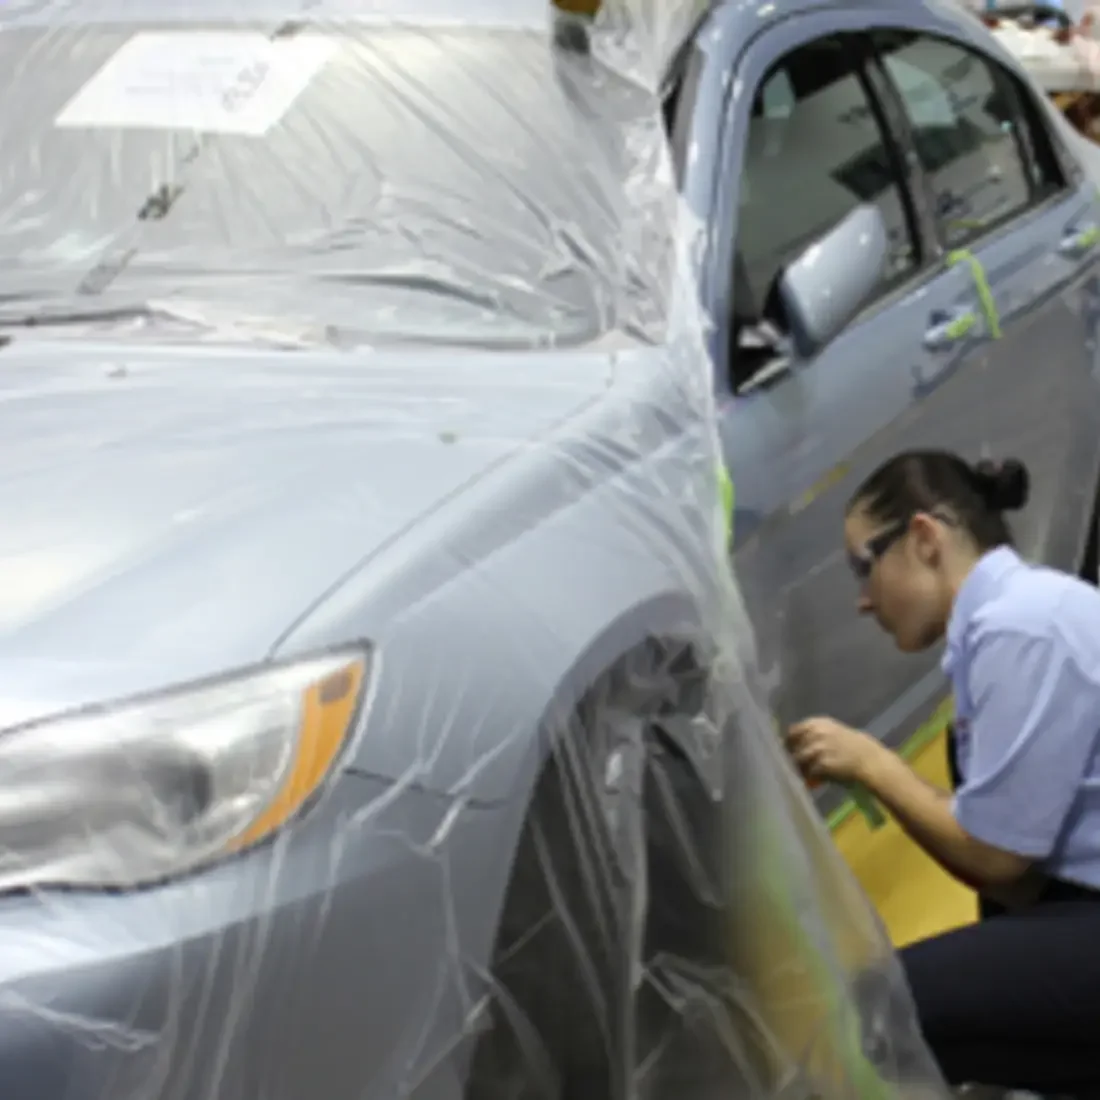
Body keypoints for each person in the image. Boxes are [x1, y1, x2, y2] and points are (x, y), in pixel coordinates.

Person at [785, 449, 1100, 1095]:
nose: (862, 602)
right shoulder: (1012, 622)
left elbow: (997, 858)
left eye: (862, 567)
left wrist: (872, 763)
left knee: (881, 1017)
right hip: (1075, 901)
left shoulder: (1023, 628)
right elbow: (1013, 886)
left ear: (925, 538)